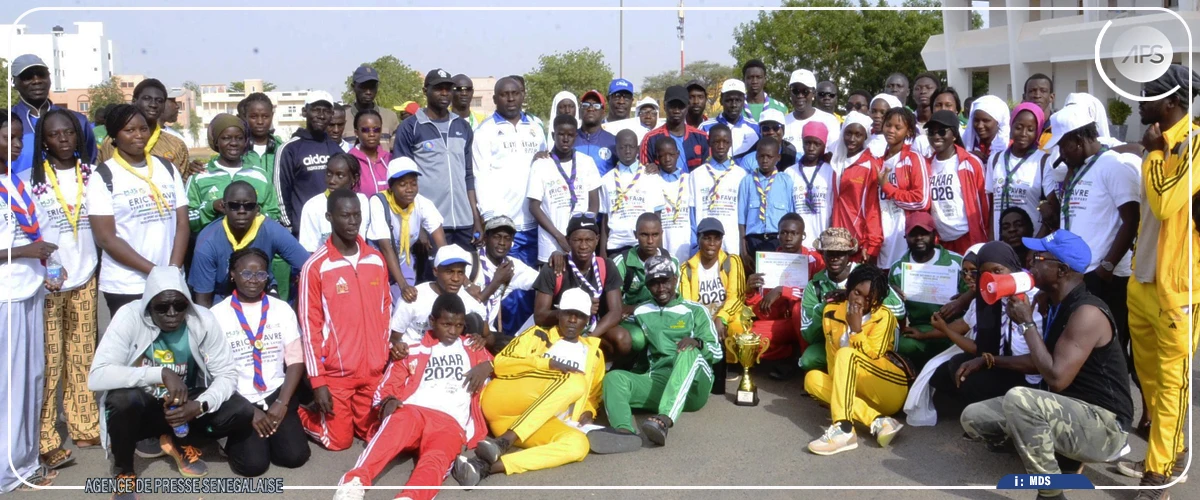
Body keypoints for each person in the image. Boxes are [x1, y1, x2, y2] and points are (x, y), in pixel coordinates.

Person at [960, 230, 1133, 499]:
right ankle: (1060, 455)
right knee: (973, 417)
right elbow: (1039, 362)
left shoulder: (1088, 312)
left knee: (1020, 400)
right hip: (1068, 410)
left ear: (1062, 270)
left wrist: (1027, 323)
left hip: (1105, 425)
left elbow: (1056, 377)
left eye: (1039, 257)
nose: (1030, 261)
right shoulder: (1054, 302)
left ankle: (1051, 493)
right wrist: (987, 361)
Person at [455, 288, 638, 486]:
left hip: (529, 422)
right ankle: (503, 442)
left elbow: (593, 395)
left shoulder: (594, 354)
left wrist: (588, 411)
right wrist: (546, 364)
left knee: (578, 445)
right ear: (559, 314)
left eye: (579, 316)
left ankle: (484, 467)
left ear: (587, 321)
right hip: (505, 400)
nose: (573, 320)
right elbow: (501, 363)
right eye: (568, 313)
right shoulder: (537, 335)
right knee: (574, 380)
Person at [89, 266, 247, 492]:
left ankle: (179, 442)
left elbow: (228, 374)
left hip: (184, 406)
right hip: (146, 405)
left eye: (180, 305)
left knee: (240, 409)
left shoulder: (203, 320)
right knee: (122, 399)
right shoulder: (129, 316)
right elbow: (97, 376)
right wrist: (160, 373)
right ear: (148, 306)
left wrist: (200, 406)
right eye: (162, 307)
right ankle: (124, 472)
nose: (172, 313)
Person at [1119, 65, 1200, 497]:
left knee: (1171, 383)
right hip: (1142, 280)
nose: (1138, 100)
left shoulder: (1194, 143)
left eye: (1147, 94)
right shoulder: (1158, 142)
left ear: (1172, 101)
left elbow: (1167, 202)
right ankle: (1170, 450)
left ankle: (1159, 472)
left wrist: (1151, 154)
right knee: (1148, 380)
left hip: (1177, 290)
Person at [333, 294, 494, 500]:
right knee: (393, 430)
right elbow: (386, 388)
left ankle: (410, 497)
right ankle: (353, 483)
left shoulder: (473, 347)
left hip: (451, 422)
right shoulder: (412, 350)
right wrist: (387, 402)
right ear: (432, 321)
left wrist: (488, 365)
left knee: (436, 460)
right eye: (446, 324)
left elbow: (507, 363)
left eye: (459, 325)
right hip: (414, 411)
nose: (453, 331)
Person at [1042, 106, 1139, 399]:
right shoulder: (1080, 168)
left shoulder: (1114, 165)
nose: (1061, 152)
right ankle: (1086, 403)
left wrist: (1106, 268)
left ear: (1079, 138)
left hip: (1104, 276)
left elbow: (1131, 219)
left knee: (1113, 349)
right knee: (1080, 347)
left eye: (1063, 144)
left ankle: (1127, 411)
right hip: (1078, 275)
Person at [28, 107, 101, 468]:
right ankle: (45, 435)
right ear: (43, 140)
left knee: (82, 356)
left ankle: (84, 423)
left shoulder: (94, 176)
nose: (63, 140)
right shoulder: (30, 179)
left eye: (69, 133)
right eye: (55, 134)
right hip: (47, 282)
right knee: (50, 361)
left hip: (85, 275)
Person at [297, 189, 392, 451]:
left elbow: (386, 308)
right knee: (339, 441)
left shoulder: (376, 259)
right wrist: (318, 382)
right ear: (329, 217)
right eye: (345, 215)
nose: (352, 221)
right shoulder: (315, 267)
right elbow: (310, 327)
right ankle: (301, 415)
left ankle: (348, 416)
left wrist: (383, 352)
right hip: (336, 374)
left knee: (373, 435)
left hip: (372, 370)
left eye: (357, 215)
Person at [209, 248, 311, 476]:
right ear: (232, 274)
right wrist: (247, 411)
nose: (254, 281)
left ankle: (272, 434)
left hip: (274, 392)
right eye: (246, 274)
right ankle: (231, 437)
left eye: (261, 275)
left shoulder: (282, 310)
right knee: (253, 466)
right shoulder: (217, 315)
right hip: (237, 397)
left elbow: (295, 360)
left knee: (294, 456)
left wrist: (282, 403)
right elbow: (212, 372)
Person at [603, 255, 722, 446]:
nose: (661, 289)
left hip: (694, 386)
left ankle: (664, 420)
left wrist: (698, 342)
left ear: (675, 279)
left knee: (688, 350)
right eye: (654, 283)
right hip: (659, 380)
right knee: (614, 378)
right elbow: (616, 326)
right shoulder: (642, 311)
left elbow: (717, 352)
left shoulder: (696, 310)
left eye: (665, 281)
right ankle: (624, 433)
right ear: (647, 286)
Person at [914, 242, 1041, 419]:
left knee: (971, 380)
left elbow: (1035, 362)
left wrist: (986, 360)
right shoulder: (987, 300)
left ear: (1013, 268)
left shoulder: (1036, 300)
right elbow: (972, 336)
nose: (992, 280)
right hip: (1002, 363)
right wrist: (925, 334)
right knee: (948, 370)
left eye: (997, 271)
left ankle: (1000, 420)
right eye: (985, 274)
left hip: (1028, 376)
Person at [0, 110, 57, 492]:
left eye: (21, 138)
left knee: (30, 377)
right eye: (9, 138)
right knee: (8, 383)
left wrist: (48, 263)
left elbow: (35, 231)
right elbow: (20, 244)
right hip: (6, 297)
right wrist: (24, 252)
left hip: (28, 290)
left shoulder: (14, 183)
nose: (18, 145)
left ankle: (22, 460)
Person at [88, 104, 190, 314]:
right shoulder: (103, 176)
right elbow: (106, 238)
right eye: (129, 130)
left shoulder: (167, 168)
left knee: (167, 345)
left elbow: (181, 222)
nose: (139, 135)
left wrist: (172, 270)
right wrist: (154, 271)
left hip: (169, 279)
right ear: (114, 135)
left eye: (143, 129)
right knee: (134, 346)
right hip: (127, 284)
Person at [804, 264, 908, 456]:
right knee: (812, 379)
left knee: (846, 354)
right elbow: (832, 359)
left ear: (877, 300)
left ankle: (843, 429)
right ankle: (878, 421)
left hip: (886, 387)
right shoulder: (831, 312)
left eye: (868, 298)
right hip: (854, 390)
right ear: (848, 288)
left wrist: (856, 329)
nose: (859, 301)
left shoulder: (884, 317)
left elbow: (872, 359)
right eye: (856, 292)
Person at [393, 68, 482, 249]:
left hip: (464, 223)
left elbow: (468, 175)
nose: (444, 93)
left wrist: (475, 218)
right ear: (425, 91)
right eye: (438, 88)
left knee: (467, 276)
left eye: (448, 89)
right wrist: (417, 224)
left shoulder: (462, 126)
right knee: (433, 277)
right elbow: (402, 181)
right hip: (430, 224)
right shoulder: (411, 127)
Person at [797, 228, 905, 374]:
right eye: (830, 253)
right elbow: (808, 334)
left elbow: (899, 310)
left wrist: (854, 297)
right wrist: (825, 305)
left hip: (871, 339)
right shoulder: (815, 285)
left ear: (849, 254)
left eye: (840, 253)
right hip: (834, 342)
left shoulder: (868, 274)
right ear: (822, 254)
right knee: (808, 360)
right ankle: (838, 375)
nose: (834, 258)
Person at [189, 181, 309, 307]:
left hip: (262, 290)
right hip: (222, 297)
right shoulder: (208, 242)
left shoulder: (271, 230)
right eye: (234, 205)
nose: (242, 211)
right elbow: (203, 300)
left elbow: (309, 266)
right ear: (224, 207)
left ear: (257, 209)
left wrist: (296, 306)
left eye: (249, 206)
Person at [472, 76, 546, 268]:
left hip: (533, 223)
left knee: (531, 284)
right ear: (495, 99)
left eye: (515, 94)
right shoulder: (484, 131)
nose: (510, 99)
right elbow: (480, 176)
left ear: (522, 96)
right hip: (503, 225)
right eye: (504, 95)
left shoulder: (535, 129)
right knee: (506, 284)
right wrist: (490, 218)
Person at [531, 213, 628, 357]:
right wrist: (577, 309)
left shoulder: (606, 266)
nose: (583, 246)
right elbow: (540, 316)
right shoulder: (554, 267)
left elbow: (616, 312)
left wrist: (591, 337)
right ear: (568, 240)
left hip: (593, 329)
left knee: (623, 339)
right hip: (560, 328)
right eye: (577, 240)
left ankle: (611, 374)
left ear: (597, 240)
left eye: (588, 240)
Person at [745, 214, 824, 373]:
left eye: (794, 233)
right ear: (778, 235)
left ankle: (805, 362)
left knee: (798, 309)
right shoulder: (769, 262)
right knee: (750, 337)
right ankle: (789, 354)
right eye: (784, 233)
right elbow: (764, 312)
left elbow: (819, 297)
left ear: (803, 236)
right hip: (783, 323)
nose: (788, 238)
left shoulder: (815, 260)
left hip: (809, 323)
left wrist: (783, 290)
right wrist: (751, 292)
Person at [888, 212, 965, 368]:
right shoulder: (897, 269)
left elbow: (972, 296)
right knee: (903, 345)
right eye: (913, 234)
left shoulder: (957, 262)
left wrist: (961, 301)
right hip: (918, 328)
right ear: (905, 238)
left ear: (934, 235)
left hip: (954, 327)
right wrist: (892, 293)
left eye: (924, 233)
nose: (919, 238)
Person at [679, 218, 749, 388]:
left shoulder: (732, 261)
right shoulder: (686, 268)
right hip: (702, 317)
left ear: (721, 241)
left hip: (727, 314)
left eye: (716, 238)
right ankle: (706, 362)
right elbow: (688, 305)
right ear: (698, 239)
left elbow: (737, 296)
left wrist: (721, 317)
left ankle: (732, 364)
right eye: (706, 238)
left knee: (738, 325)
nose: (711, 243)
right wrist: (706, 322)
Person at [186, 113, 280, 232]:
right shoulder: (199, 176)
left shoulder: (260, 175)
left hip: (253, 247)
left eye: (239, 138)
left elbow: (275, 215)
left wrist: (254, 211)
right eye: (226, 138)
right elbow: (186, 219)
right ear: (216, 142)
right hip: (214, 247)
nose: (234, 143)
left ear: (246, 142)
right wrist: (211, 207)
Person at [527, 115, 601, 263]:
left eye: (570, 135)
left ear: (576, 136)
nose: (565, 139)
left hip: (581, 245)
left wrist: (582, 232)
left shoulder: (587, 162)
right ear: (554, 135)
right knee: (553, 283)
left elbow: (594, 204)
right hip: (551, 243)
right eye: (561, 134)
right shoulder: (541, 164)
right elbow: (534, 207)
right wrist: (559, 237)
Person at [369, 157, 446, 298]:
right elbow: (386, 247)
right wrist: (403, 285)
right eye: (403, 184)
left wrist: (465, 282)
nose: (409, 189)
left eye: (413, 183)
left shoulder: (422, 203)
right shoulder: (378, 202)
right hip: (377, 264)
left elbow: (442, 245)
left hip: (403, 261)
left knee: (405, 303)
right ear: (391, 186)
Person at [10, 54, 97, 175]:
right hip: (21, 191)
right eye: (27, 77)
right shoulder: (6, 123)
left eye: (42, 74)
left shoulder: (77, 120)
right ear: (14, 82)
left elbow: (89, 159)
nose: (36, 81)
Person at [390, 245, 490, 345]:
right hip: (414, 356)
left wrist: (481, 341)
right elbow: (393, 339)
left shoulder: (469, 299)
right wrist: (398, 349)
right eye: (449, 272)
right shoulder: (413, 297)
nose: (455, 278)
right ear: (435, 271)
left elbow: (488, 335)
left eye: (460, 272)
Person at [273, 90, 341, 235]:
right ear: (305, 112)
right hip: (302, 231)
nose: (321, 115)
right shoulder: (289, 149)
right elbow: (281, 191)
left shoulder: (337, 149)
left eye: (326, 111)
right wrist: (290, 226)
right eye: (316, 110)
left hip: (333, 230)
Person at [99, 79, 193, 178]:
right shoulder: (112, 142)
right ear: (134, 101)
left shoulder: (176, 145)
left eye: (159, 101)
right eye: (147, 98)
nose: (153, 104)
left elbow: (182, 185)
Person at [296, 153, 389, 252]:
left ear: (355, 178)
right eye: (329, 174)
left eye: (340, 176)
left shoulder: (363, 202)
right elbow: (310, 249)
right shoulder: (313, 206)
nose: (332, 180)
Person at [924, 110, 988, 254]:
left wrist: (984, 240)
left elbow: (984, 204)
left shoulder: (970, 163)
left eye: (941, 131)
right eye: (931, 132)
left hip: (966, 237)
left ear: (953, 135)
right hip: (940, 240)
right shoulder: (925, 165)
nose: (936, 136)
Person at [468, 216, 539, 341]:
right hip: (466, 332)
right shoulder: (470, 261)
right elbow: (466, 307)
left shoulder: (511, 265)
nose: (502, 243)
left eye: (507, 238)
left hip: (489, 334)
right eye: (497, 237)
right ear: (485, 238)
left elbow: (545, 282)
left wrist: (556, 257)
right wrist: (497, 281)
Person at [986, 102, 1051, 240]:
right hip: (1001, 239)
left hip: (1030, 240)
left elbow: (1051, 210)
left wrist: (1037, 245)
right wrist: (991, 239)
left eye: (1030, 129)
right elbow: (993, 205)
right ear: (1011, 127)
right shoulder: (995, 159)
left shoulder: (1043, 161)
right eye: (1018, 127)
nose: (1023, 134)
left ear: (1038, 131)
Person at [876, 107, 930, 268]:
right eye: (888, 125)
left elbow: (922, 200)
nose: (891, 130)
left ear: (908, 132)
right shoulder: (877, 162)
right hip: (883, 235)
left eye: (898, 128)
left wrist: (888, 188)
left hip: (904, 235)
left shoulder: (913, 159)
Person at [600, 129, 664, 256]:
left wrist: (660, 250)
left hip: (644, 246)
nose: (627, 151)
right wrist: (603, 254)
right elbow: (604, 221)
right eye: (622, 147)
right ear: (616, 149)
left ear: (638, 148)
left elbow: (657, 217)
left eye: (631, 147)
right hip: (616, 245)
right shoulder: (606, 180)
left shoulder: (651, 177)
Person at [829, 111, 883, 262]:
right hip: (837, 239)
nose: (852, 139)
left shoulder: (869, 165)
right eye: (848, 133)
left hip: (858, 240)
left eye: (858, 135)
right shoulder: (837, 163)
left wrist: (871, 243)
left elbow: (873, 208)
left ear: (865, 137)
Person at [688, 123, 745, 256]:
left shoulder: (741, 175)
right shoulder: (696, 175)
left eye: (725, 142)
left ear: (730, 143)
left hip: (732, 244)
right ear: (709, 142)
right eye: (716, 142)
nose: (721, 146)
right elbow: (692, 213)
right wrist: (694, 244)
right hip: (704, 245)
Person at [738, 136, 796, 261]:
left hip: (778, 240)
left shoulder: (786, 181)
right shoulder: (746, 181)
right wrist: (743, 250)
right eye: (761, 156)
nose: (765, 160)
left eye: (769, 157)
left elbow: (791, 215)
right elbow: (742, 219)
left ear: (778, 158)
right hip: (753, 240)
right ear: (756, 157)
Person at [786, 121, 836, 249]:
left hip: (824, 241)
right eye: (807, 142)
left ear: (824, 146)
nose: (811, 147)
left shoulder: (831, 171)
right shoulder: (790, 172)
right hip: (797, 243)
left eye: (817, 143)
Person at [613, 213, 679, 309]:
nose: (650, 241)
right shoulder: (621, 262)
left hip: (662, 315)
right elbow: (614, 306)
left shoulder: (672, 261)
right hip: (631, 319)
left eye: (655, 235)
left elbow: (674, 300)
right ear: (636, 235)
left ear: (661, 234)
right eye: (644, 235)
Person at [640, 85, 710, 172]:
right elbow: (643, 173)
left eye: (681, 106)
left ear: (687, 107)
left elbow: (710, 170)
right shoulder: (650, 139)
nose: (676, 111)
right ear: (664, 106)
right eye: (672, 106)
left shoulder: (702, 137)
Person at [652, 137, 693, 259]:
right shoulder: (652, 180)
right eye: (662, 155)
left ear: (678, 154)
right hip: (664, 246)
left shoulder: (689, 179)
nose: (667, 159)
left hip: (687, 245)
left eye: (671, 154)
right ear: (657, 158)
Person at [346, 65, 400, 150]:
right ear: (353, 87)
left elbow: (395, 151)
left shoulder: (390, 117)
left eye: (372, 87)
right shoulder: (342, 120)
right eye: (363, 86)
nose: (368, 92)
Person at [701, 79, 760, 158]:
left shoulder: (755, 128)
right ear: (721, 100)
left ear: (743, 102)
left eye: (738, 100)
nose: (734, 105)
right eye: (729, 100)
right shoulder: (705, 128)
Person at [782, 69, 840, 150]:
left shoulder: (829, 121)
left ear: (813, 93)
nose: (800, 95)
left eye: (805, 91)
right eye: (795, 91)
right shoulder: (782, 123)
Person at [735, 108, 797, 174]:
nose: (771, 132)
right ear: (760, 131)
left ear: (783, 130)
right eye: (765, 128)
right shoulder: (748, 160)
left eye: (776, 128)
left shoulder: (794, 155)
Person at [348, 108, 391, 195]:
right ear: (356, 132)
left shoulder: (390, 158)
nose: (372, 134)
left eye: (376, 130)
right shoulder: (349, 162)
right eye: (365, 130)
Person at [239, 93, 284, 177]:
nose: (260, 122)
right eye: (253, 117)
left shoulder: (283, 149)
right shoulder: (235, 149)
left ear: (272, 116)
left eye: (265, 116)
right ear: (245, 117)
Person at [576, 90, 618, 176]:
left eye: (596, 105)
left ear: (603, 112)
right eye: (586, 105)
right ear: (580, 111)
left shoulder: (613, 141)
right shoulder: (568, 139)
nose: (591, 108)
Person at [962, 96, 1010, 163]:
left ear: (998, 122)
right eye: (976, 120)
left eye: (986, 120)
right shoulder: (966, 143)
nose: (979, 126)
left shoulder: (1010, 147)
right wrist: (969, 156)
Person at [1022, 73, 1055, 146]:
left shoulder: (1058, 127)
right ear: (1024, 97)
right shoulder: (1017, 128)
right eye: (1032, 91)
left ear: (1051, 97)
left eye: (1043, 91)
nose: (1037, 95)